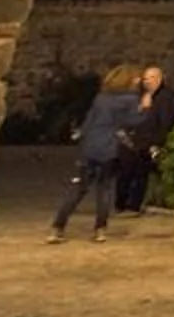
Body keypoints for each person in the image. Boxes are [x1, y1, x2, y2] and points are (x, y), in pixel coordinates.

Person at [50, 65, 150, 245]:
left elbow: (88, 123)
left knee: (79, 189)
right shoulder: (130, 99)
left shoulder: (102, 98)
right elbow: (133, 121)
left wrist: (82, 144)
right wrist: (145, 107)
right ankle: (100, 230)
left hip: (91, 146)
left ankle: (58, 227)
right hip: (108, 147)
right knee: (104, 189)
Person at [112, 65, 174, 216]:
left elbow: (165, 121)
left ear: (160, 79)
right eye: (146, 78)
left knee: (140, 175)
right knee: (124, 173)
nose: (148, 81)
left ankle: (133, 206)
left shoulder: (165, 97)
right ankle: (120, 204)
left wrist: (157, 142)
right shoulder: (138, 95)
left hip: (147, 141)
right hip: (130, 140)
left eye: (151, 78)